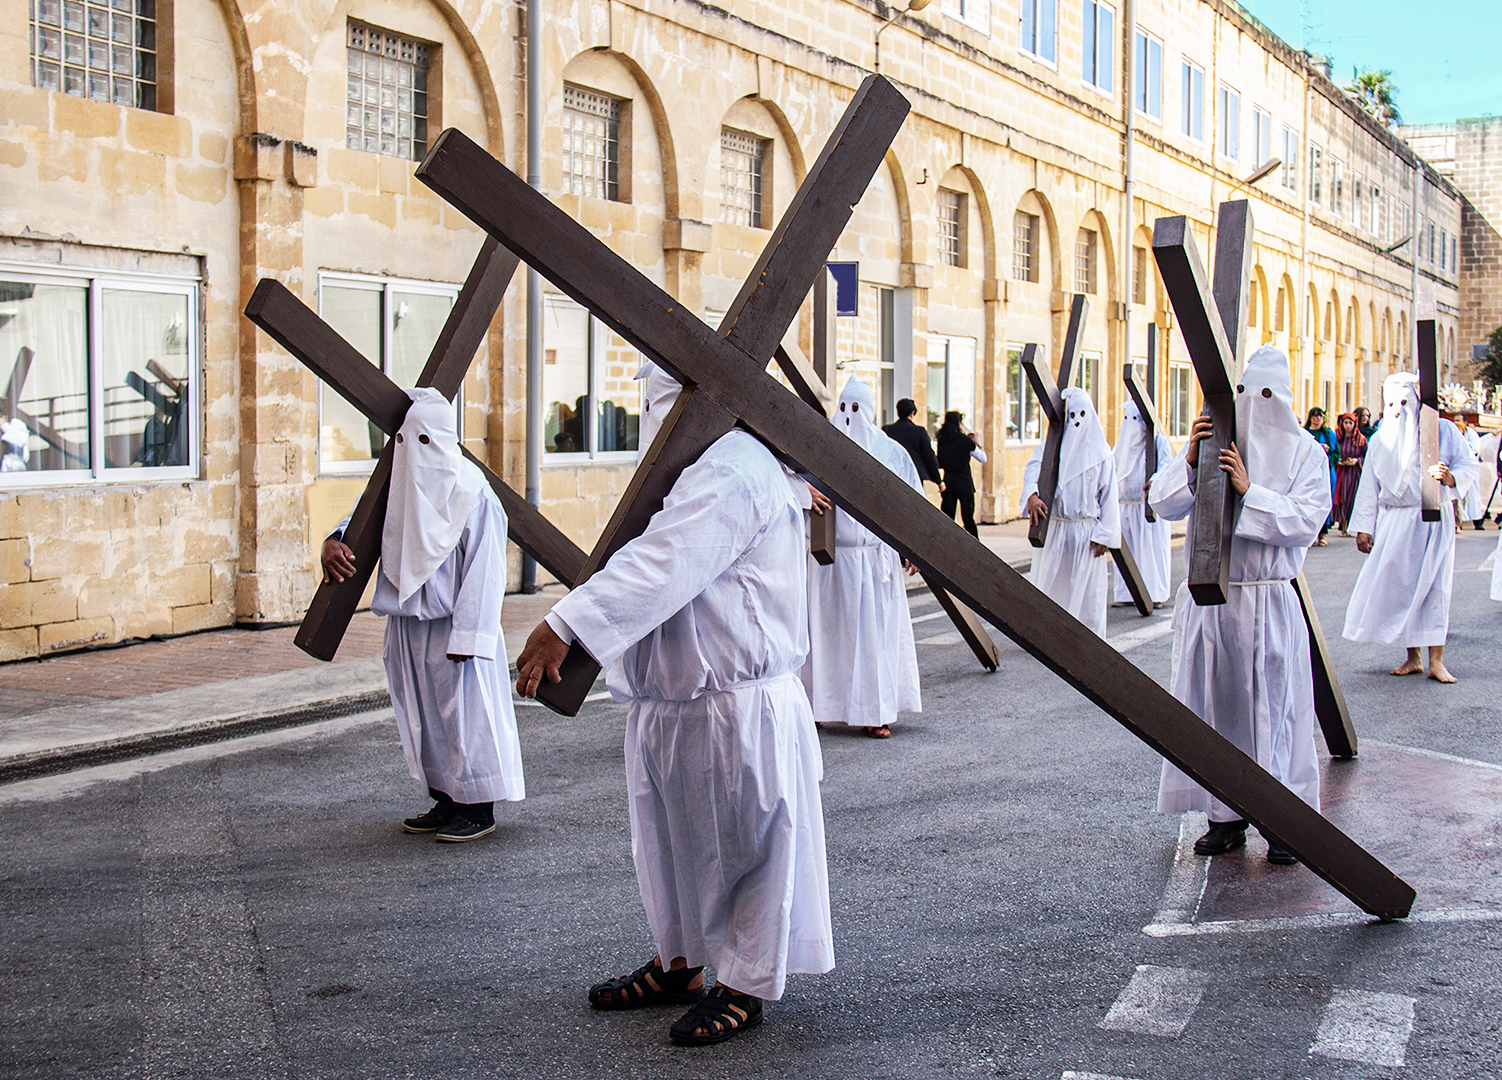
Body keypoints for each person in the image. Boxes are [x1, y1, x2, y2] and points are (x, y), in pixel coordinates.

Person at [513, 362, 832, 1046]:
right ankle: (679, 961)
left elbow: (665, 560)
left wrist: (567, 624)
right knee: (667, 847)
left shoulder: (734, 465)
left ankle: (743, 982)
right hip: (670, 699)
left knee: (744, 845)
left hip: (729, 702)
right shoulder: (699, 467)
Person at [1150, 345, 1329, 865]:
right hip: (1212, 605)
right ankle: (1223, 816)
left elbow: (1306, 521)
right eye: (1246, 394)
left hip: (1268, 601)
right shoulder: (1214, 441)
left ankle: (1285, 823)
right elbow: (1162, 504)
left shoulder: (1306, 454)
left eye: (1267, 395)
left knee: (1275, 713)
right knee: (1216, 712)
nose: (1256, 405)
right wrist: (1189, 460)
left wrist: (1251, 493)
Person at [321, 388, 524, 842]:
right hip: (407, 623)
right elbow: (361, 522)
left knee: (466, 716)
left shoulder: (473, 493)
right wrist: (332, 541)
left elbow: (486, 570)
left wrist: (470, 637)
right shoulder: (401, 482)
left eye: (426, 440)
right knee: (424, 717)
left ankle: (478, 808)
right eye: (410, 441)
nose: (418, 451)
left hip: (455, 627)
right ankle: (446, 797)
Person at [802, 377, 921, 739]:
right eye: (843, 408)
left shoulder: (890, 452)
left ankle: (875, 711)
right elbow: (793, 483)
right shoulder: (820, 449)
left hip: (872, 560)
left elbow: (912, 502)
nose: (849, 416)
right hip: (830, 561)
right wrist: (802, 488)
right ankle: (818, 705)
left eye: (856, 409)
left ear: (869, 412)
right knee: (826, 636)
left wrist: (912, 545)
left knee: (872, 638)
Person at [1342, 373, 1479, 683]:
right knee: (1403, 587)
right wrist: (1364, 528)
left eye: (1404, 403)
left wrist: (1450, 478)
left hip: (1432, 519)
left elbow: (1467, 464)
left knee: (1435, 588)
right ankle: (1412, 656)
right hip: (1394, 521)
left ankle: (1437, 660)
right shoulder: (1380, 441)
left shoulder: (1442, 430)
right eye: (1391, 403)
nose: (1398, 410)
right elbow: (1369, 487)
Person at [1021, 388, 1120, 637]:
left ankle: (1088, 637)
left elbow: (1109, 496)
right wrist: (1032, 495)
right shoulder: (1051, 446)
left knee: (1086, 591)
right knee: (1052, 584)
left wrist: (1105, 534)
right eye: (1072, 415)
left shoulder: (1101, 453)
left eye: (1082, 414)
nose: (1077, 421)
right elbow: (1033, 469)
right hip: (1056, 528)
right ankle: (1047, 635)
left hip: (1086, 532)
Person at [1111, 400, 1173, 607]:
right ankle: (1126, 594)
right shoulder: (1122, 445)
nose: (1132, 425)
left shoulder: (1157, 442)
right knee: (1128, 553)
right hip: (1125, 507)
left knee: (1150, 552)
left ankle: (1154, 593)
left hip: (1147, 509)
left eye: (1136, 419)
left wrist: (1155, 480)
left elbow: (1166, 466)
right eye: (1128, 419)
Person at [935, 409, 986, 537]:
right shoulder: (965, 441)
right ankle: (975, 547)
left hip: (949, 482)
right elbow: (983, 458)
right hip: (964, 482)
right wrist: (978, 444)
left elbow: (940, 460)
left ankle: (944, 544)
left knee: (947, 518)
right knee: (968, 518)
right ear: (959, 423)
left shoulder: (942, 440)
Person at [882, 397, 943, 489]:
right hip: (914, 476)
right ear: (913, 413)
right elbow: (929, 457)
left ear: (898, 412)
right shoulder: (919, 432)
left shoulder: (887, 430)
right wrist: (938, 481)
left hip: (893, 474)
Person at [1304, 407, 1339, 545]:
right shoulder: (1305, 433)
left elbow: (1337, 454)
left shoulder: (1330, 435)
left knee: (1324, 500)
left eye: (1321, 416)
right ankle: (1310, 533)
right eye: (1315, 415)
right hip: (1309, 471)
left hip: (1326, 471)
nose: (1318, 418)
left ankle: (1323, 533)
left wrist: (1326, 455)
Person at [1332, 412, 1367, 537]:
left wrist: (1357, 461)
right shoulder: (1338, 438)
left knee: (1353, 497)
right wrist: (1339, 461)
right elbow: (1334, 452)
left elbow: (1366, 455)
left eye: (1350, 423)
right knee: (1342, 497)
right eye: (1346, 423)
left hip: (1354, 472)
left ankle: (1354, 527)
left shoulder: (1360, 439)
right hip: (1341, 471)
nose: (1348, 426)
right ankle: (1344, 526)